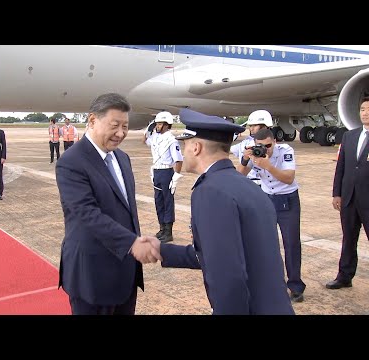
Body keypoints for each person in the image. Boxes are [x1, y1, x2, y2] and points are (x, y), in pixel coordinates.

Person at [145, 108, 294, 315]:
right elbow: (221, 253)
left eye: (185, 144)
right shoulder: (248, 186)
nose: (183, 151)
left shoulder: (210, 192)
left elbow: (227, 274)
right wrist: (162, 251)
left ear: (196, 147)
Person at [55, 93, 161, 315]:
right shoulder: (71, 162)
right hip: (92, 275)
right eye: (115, 126)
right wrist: (132, 243)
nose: (121, 133)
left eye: (125, 126)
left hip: (125, 272)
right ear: (92, 120)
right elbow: (87, 214)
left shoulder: (122, 158)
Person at [238, 128, 306, 302]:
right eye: (260, 146)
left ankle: (295, 286)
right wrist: (246, 160)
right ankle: (270, 285)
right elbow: (239, 176)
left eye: (268, 145)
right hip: (267, 198)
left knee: (291, 244)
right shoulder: (254, 153)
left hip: (287, 199)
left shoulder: (285, 151)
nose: (265, 150)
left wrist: (268, 165)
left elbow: (289, 178)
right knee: (266, 243)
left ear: (275, 142)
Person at [326, 96, 369, 290]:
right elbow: (341, 167)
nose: (365, 113)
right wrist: (337, 193)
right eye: (362, 109)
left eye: (368, 109)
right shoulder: (349, 136)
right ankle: (344, 276)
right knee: (348, 239)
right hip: (349, 198)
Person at [143, 111, 184, 243]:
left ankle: (168, 231)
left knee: (168, 201)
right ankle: (161, 228)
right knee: (158, 200)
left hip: (166, 172)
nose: (157, 126)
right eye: (157, 123)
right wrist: (148, 129)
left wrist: (176, 176)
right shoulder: (155, 137)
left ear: (167, 125)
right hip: (156, 171)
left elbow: (178, 160)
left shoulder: (172, 140)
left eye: (160, 123)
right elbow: (145, 141)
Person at [232, 109, 273, 185]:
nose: (251, 129)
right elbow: (227, 149)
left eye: (255, 125)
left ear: (265, 126)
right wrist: (244, 159)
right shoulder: (245, 143)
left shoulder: (274, 147)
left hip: (266, 185)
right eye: (250, 126)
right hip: (248, 183)